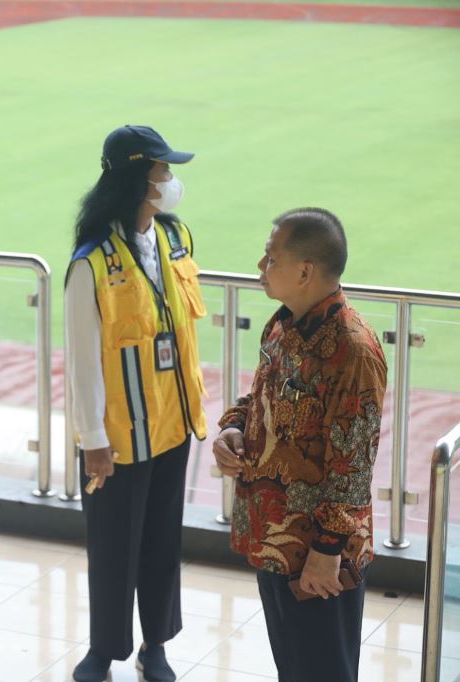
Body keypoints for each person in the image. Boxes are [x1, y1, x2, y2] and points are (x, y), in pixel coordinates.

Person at [212, 207, 386, 682]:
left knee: (323, 672)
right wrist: (234, 427)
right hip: (274, 538)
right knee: (294, 668)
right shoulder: (284, 323)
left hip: (316, 554)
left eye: (270, 258)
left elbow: (354, 463)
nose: (260, 267)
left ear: (305, 271)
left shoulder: (352, 349)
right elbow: (261, 396)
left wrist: (327, 552)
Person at [65, 125, 208, 682]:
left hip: (173, 426)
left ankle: (157, 645)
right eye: (162, 173)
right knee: (113, 546)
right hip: (119, 439)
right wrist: (93, 442)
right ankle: (103, 650)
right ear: (134, 182)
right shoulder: (92, 263)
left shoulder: (175, 240)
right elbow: (82, 362)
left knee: (160, 542)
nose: (171, 182)